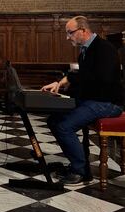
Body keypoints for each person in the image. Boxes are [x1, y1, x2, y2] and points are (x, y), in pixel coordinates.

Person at [41, 16, 123, 186]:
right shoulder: (85, 52)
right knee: (54, 120)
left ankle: (81, 171)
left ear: (83, 31)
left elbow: (101, 80)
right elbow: (85, 81)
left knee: (64, 127)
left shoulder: (104, 48)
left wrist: (68, 80)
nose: (67, 37)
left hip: (108, 103)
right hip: (92, 100)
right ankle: (77, 164)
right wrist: (62, 91)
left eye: (70, 33)